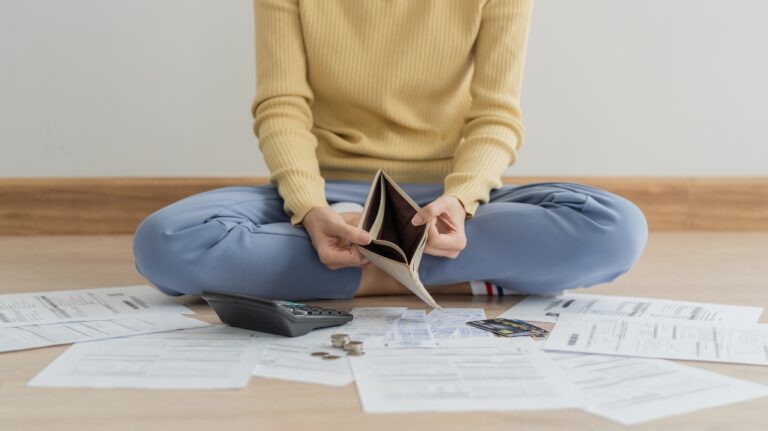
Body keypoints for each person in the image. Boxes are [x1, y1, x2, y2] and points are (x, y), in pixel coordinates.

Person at [132, 0, 647, 301]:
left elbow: (496, 115)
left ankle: (359, 269)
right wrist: (311, 209)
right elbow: (281, 106)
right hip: (325, 192)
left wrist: (462, 201)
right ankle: (444, 270)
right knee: (164, 242)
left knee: (615, 228)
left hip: (444, 200)